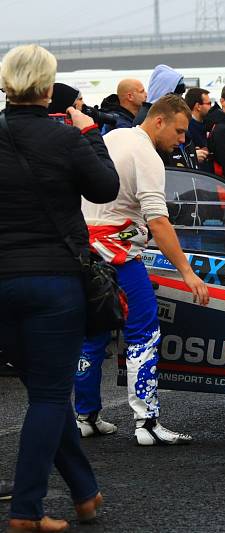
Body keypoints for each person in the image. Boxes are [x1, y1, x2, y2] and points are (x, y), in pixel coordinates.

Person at [0, 44, 119, 531]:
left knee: (41, 390)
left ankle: (85, 493)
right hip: (54, 281)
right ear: (48, 89)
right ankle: (26, 510)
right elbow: (106, 189)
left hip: (1, 282)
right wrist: (92, 136)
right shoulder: (65, 138)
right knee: (50, 396)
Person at [77, 94, 209, 445]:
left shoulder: (113, 137)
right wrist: (187, 271)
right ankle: (147, 423)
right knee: (143, 335)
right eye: (180, 132)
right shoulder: (147, 155)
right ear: (159, 121)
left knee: (92, 335)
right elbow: (159, 221)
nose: (181, 140)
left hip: (85, 253)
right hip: (120, 256)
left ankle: (86, 416)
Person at [184, 87, 212, 171]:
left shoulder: (206, 123)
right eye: (209, 103)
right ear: (198, 106)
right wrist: (193, 155)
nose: (211, 107)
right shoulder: (187, 127)